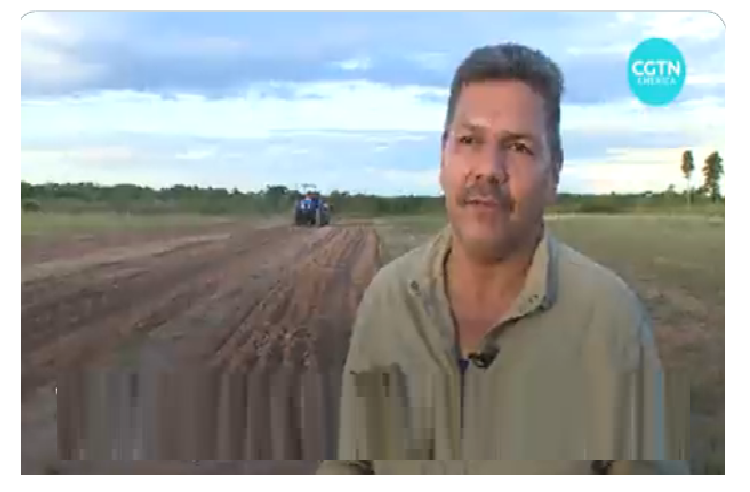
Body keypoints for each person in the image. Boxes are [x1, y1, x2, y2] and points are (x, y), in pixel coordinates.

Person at [317, 43, 689, 474]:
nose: (488, 168)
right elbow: (356, 464)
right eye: (469, 140)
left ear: (554, 174)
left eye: (518, 147)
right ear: (442, 159)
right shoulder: (389, 301)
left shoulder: (608, 320)